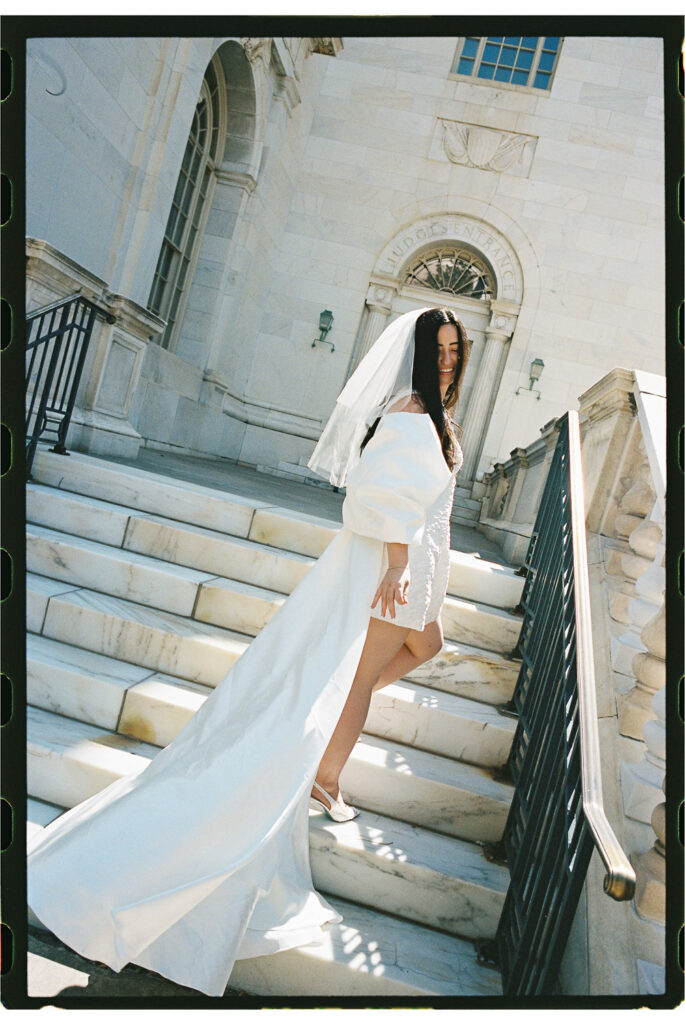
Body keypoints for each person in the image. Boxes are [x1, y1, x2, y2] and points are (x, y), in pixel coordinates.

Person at [26, 306, 470, 997]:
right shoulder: (412, 409)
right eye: (437, 349)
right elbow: (380, 493)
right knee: (356, 682)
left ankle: (322, 746)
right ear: (416, 353)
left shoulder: (433, 412)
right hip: (399, 567)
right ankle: (324, 771)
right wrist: (395, 564)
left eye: (454, 350)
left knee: (420, 648)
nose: (445, 360)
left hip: (421, 567)